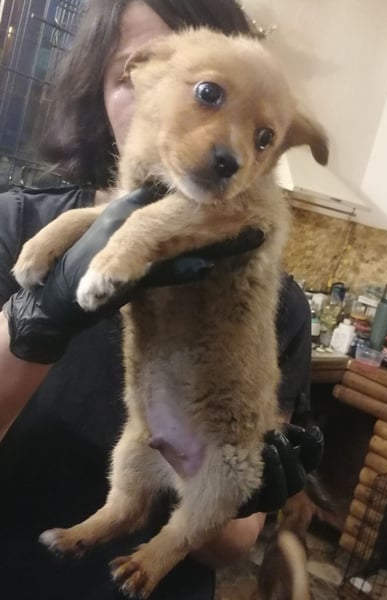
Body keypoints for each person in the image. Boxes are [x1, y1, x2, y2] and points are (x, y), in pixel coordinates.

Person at [0, 1, 319, 599]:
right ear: (107, 83)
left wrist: (239, 493)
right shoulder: (15, 226)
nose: (227, 149)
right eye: (206, 92)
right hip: (15, 574)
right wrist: (36, 318)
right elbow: (132, 218)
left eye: (262, 137)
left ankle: (150, 543)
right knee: (131, 466)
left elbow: (232, 544)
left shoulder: (279, 297)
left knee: (212, 479)